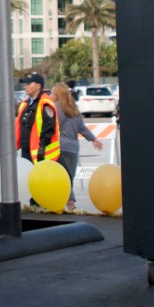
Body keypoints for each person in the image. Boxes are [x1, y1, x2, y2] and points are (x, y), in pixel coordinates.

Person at [52, 83, 102, 211]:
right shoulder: (74, 109)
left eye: (52, 93)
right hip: (73, 148)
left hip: (59, 146)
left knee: (61, 177)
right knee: (69, 176)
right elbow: (82, 128)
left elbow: (52, 126)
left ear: (57, 95)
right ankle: (69, 203)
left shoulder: (55, 109)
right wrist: (94, 139)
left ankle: (69, 203)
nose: (50, 95)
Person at [16, 73, 59, 164]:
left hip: (41, 152)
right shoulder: (25, 104)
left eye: (28, 84)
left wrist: (42, 146)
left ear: (38, 86)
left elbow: (49, 127)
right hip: (26, 150)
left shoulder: (45, 103)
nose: (25, 87)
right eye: (25, 84)